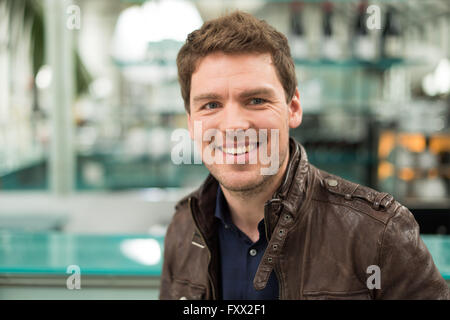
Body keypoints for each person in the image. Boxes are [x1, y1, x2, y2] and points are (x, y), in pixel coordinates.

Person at [159, 11, 449, 300]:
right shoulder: (184, 228)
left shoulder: (379, 233)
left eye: (256, 100)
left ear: (293, 108)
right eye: (210, 105)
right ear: (191, 122)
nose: (234, 125)